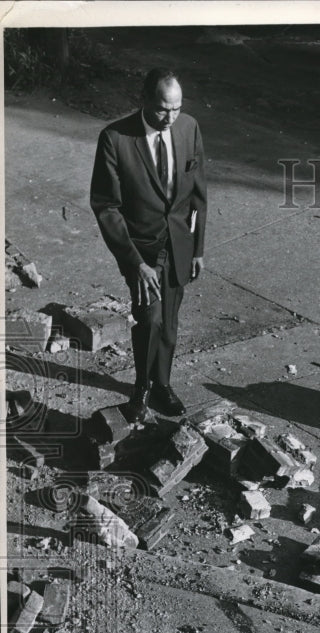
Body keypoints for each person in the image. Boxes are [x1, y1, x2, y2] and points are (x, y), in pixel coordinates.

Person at [90, 67, 207, 420]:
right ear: (143, 100)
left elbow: (199, 194)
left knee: (169, 321)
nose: (171, 117)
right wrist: (134, 262)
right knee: (151, 320)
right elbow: (106, 206)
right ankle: (141, 387)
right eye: (162, 109)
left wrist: (198, 248)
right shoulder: (115, 138)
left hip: (180, 245)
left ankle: (163, 385)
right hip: (141, 250)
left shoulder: (189, 128)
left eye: (176, 108)